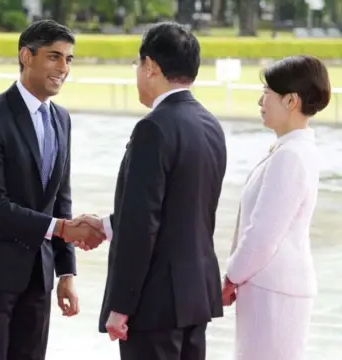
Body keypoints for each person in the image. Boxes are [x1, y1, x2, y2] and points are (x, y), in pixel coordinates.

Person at [0, 19, 104, 360]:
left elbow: (60, 198)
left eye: (69, 59)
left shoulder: (61, 118)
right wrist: (62, 229)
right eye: (54, 57)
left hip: (40, 273)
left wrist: (66, 271)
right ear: (26, 56)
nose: (63, 68)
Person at [75, 21, 227, 359]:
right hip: (194, 297)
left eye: (137, 65)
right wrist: (108, 225)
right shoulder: (210, 125)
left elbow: (145, 225)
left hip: (154, 303)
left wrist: (121, 306)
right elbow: (181, 207)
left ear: (151, 67)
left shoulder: (154, 128)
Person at [222, 55, 331, 360]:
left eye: (267, 93)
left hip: (273, 291)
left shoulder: (291, 155)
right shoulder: (291, 149)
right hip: (268, 288)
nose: (260, 101)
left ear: (291, 101)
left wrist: (230, 277)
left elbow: (262, 234)